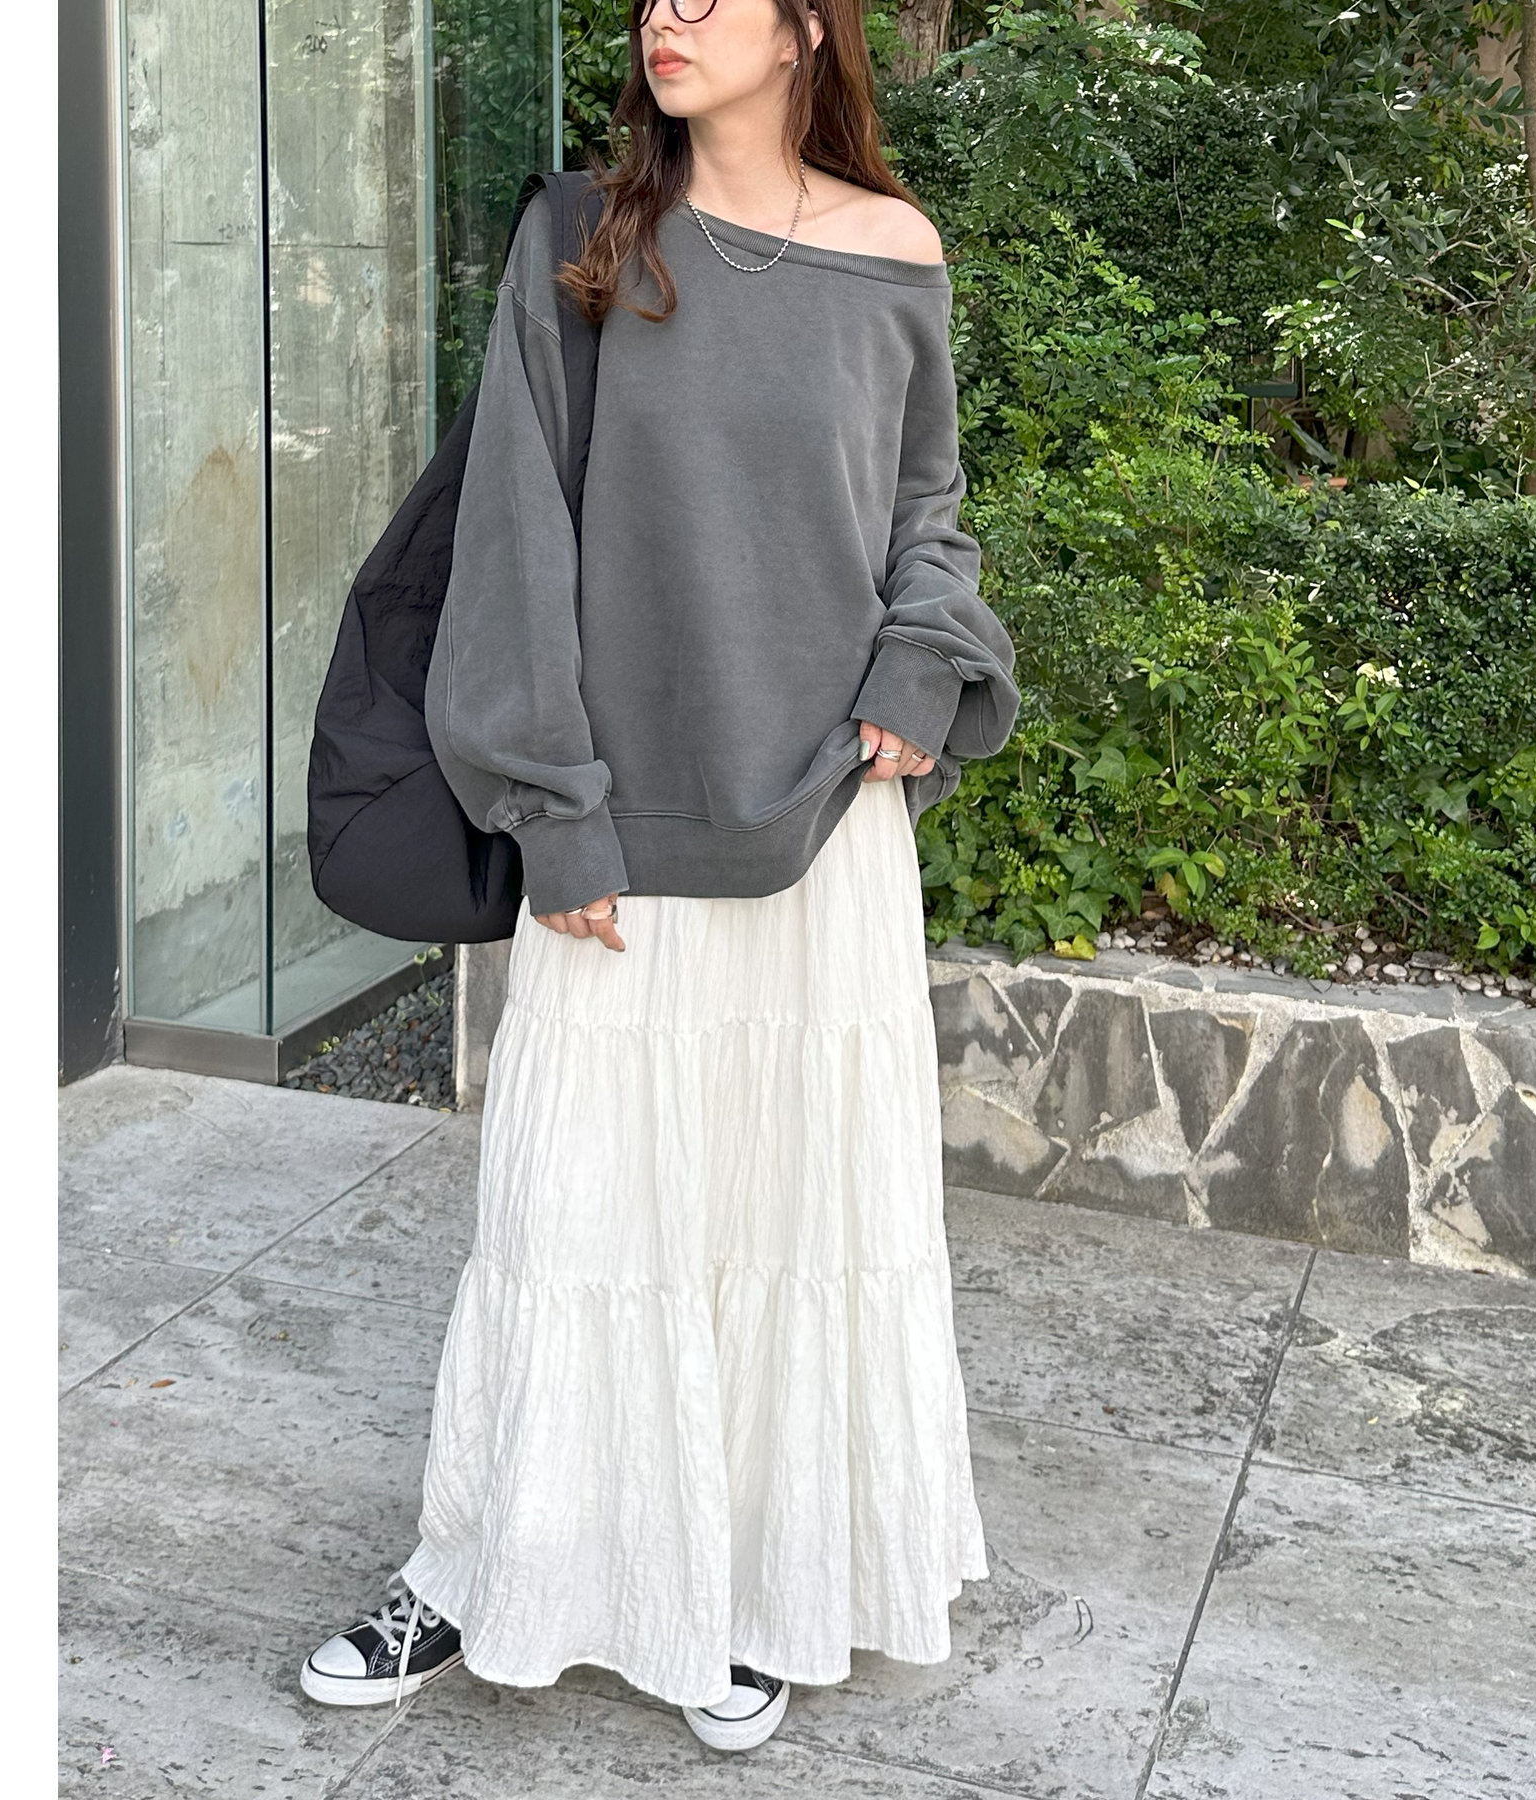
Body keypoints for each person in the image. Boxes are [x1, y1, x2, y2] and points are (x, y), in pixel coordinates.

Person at [298, 0, 1018, 1753]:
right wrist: (551, 809)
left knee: (784, 1216)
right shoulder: (588, 237)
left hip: (828, 823)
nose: (665, 15)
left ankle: (749, 1588)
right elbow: (512, 544)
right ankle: (479, 1565)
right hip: (620, 831)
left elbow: (924, 516)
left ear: (806, 31)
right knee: (571, 1222)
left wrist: (920, 670)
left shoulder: (894, 250)